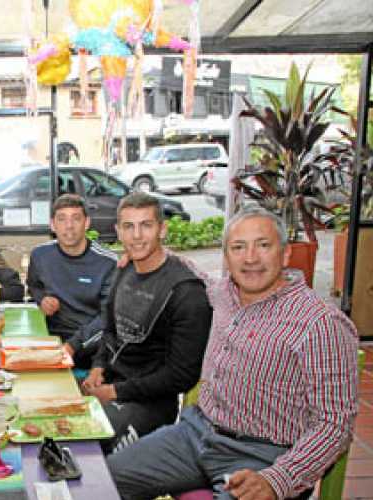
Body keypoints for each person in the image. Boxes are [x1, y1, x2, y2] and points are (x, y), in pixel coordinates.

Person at [107, 207, 359, 500]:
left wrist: (278, 479)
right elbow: (196, 273)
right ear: (226, 258)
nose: (250, 258)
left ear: (285, 254)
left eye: (263, 245)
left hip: (263, 456)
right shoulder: (223, 293)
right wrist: (144, 255)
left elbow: (335, 424)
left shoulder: (321, 323)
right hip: (196, 433)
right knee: (101, 481)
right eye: (238, 247)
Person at [83, 192, 211, 453]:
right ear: (118, 232)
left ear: (162, 230)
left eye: (146, 225)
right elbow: (110, 330)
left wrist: (115, 392)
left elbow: (182, 376)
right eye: (129, 227)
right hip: (111, 384)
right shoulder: (124, 268)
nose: (137, 236)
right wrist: (98, 366)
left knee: (89, 448)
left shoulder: (187, 292)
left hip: (151, 404)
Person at [27, 194, 117, 369]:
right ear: (53, 225)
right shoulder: (40, 255)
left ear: (87, 223)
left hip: (90, 346)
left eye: (76, 218)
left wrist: (72, 346)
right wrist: (42, 299)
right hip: (49, 338)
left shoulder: (108, 262)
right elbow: (34, 285)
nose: (69, 226)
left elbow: (108, 318)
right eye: (62, 219)